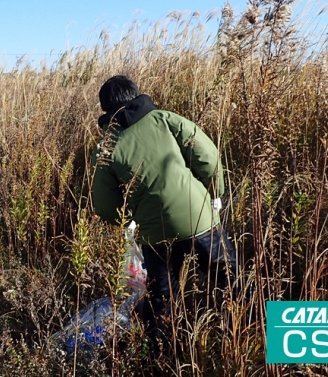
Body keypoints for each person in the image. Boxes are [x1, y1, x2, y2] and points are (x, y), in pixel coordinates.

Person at [90, 75, 238, 356]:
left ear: (106, 109)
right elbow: (208, 157)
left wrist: (129, 219)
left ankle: (160, 357)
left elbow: (105, 206)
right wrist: (214, 193)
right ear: (136, 95)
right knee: (231, 281)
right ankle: (250, 335)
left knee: (162, 300)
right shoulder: (165, 119)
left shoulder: (107, 145)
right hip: (200, 218)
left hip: (154, 234)